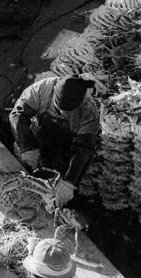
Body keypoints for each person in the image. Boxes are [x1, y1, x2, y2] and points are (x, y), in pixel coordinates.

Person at [9, 76, 100, 208]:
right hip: (36, 139)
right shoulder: (40, 89)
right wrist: (27, 147)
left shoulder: (89, 110)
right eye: (58, 109)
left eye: (67, 113)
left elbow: (84, 150)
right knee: (24, 174)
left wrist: (69, 182)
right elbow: (17, 115)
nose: (61, 114)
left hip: (65, 149)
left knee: (59, 192)